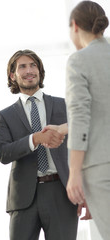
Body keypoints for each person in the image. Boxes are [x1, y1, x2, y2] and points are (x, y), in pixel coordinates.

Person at [0, 49, 79, 240]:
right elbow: (3, 153)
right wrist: (35, 139)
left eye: (33, 65)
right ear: (13, 75)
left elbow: (81, 145)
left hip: (61, 192)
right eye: (22, 66)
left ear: (40, 71)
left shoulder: (63, 105)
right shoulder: (5, 116)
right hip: (23, 198)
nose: (29, 70)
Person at [65, 1, 110, 239]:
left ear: (74, 26)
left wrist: (74, 171)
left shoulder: (79, 60)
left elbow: (80, 117)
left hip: (101, 166)